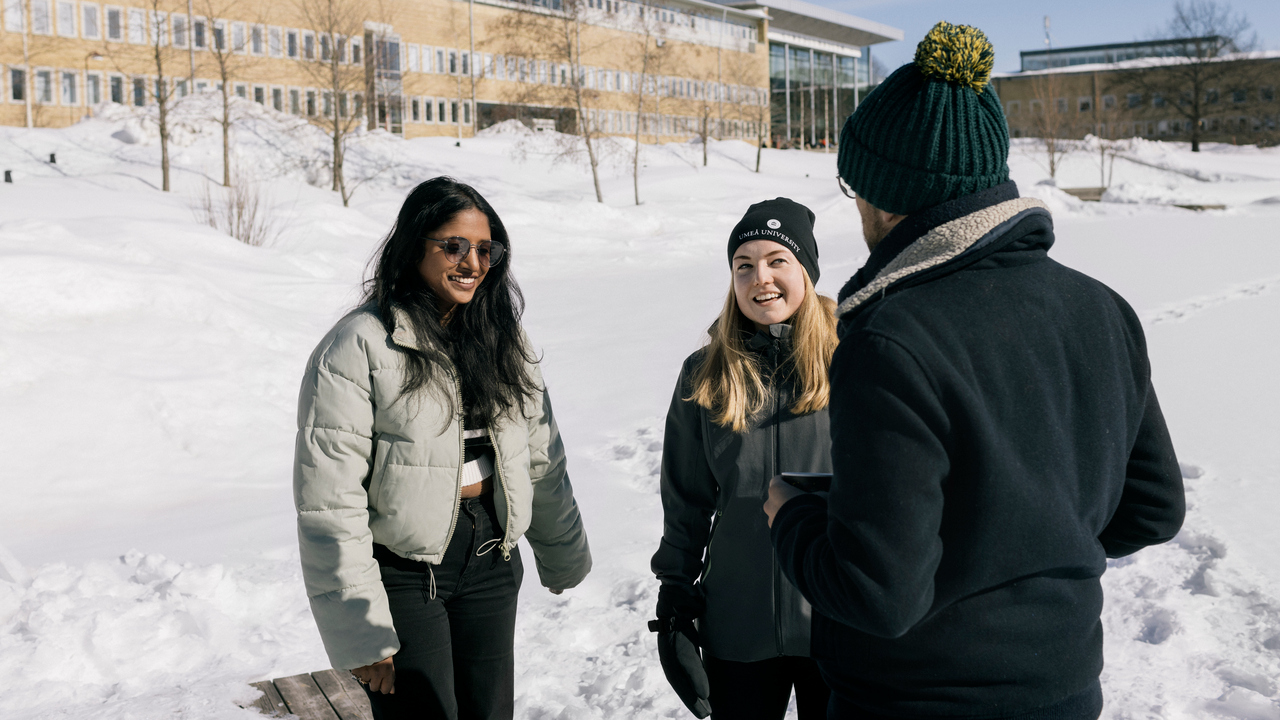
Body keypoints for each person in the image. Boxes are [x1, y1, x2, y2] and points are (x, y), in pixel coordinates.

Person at [764, 22, 1185, 720]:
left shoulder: (890, 340)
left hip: (914, 699)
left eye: (854, 186)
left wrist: (792, 518)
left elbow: (878, 593)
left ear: (883, 195)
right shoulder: (1103, 308)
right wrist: (1024, 547)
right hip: (1066, 692)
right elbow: (1153, 508)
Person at [293, 176, 592, 720]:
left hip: (492, 554)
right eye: (453, 245)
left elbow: (540, 454)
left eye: (485, 249)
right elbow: (329, 498)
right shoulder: (360, 342)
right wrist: (365, 636)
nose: (471, 262)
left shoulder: (504, 337)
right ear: (415, 246)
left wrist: (562, 553)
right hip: (405, 570)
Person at [651, 198, 837, 720]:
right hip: (738, 623)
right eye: (745, 265)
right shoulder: (705, 374)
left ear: (806, 270)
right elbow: (685, 499)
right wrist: (674, 593)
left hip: (838, 619)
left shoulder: (855, 361)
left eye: (778, 260)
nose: (762, 278)